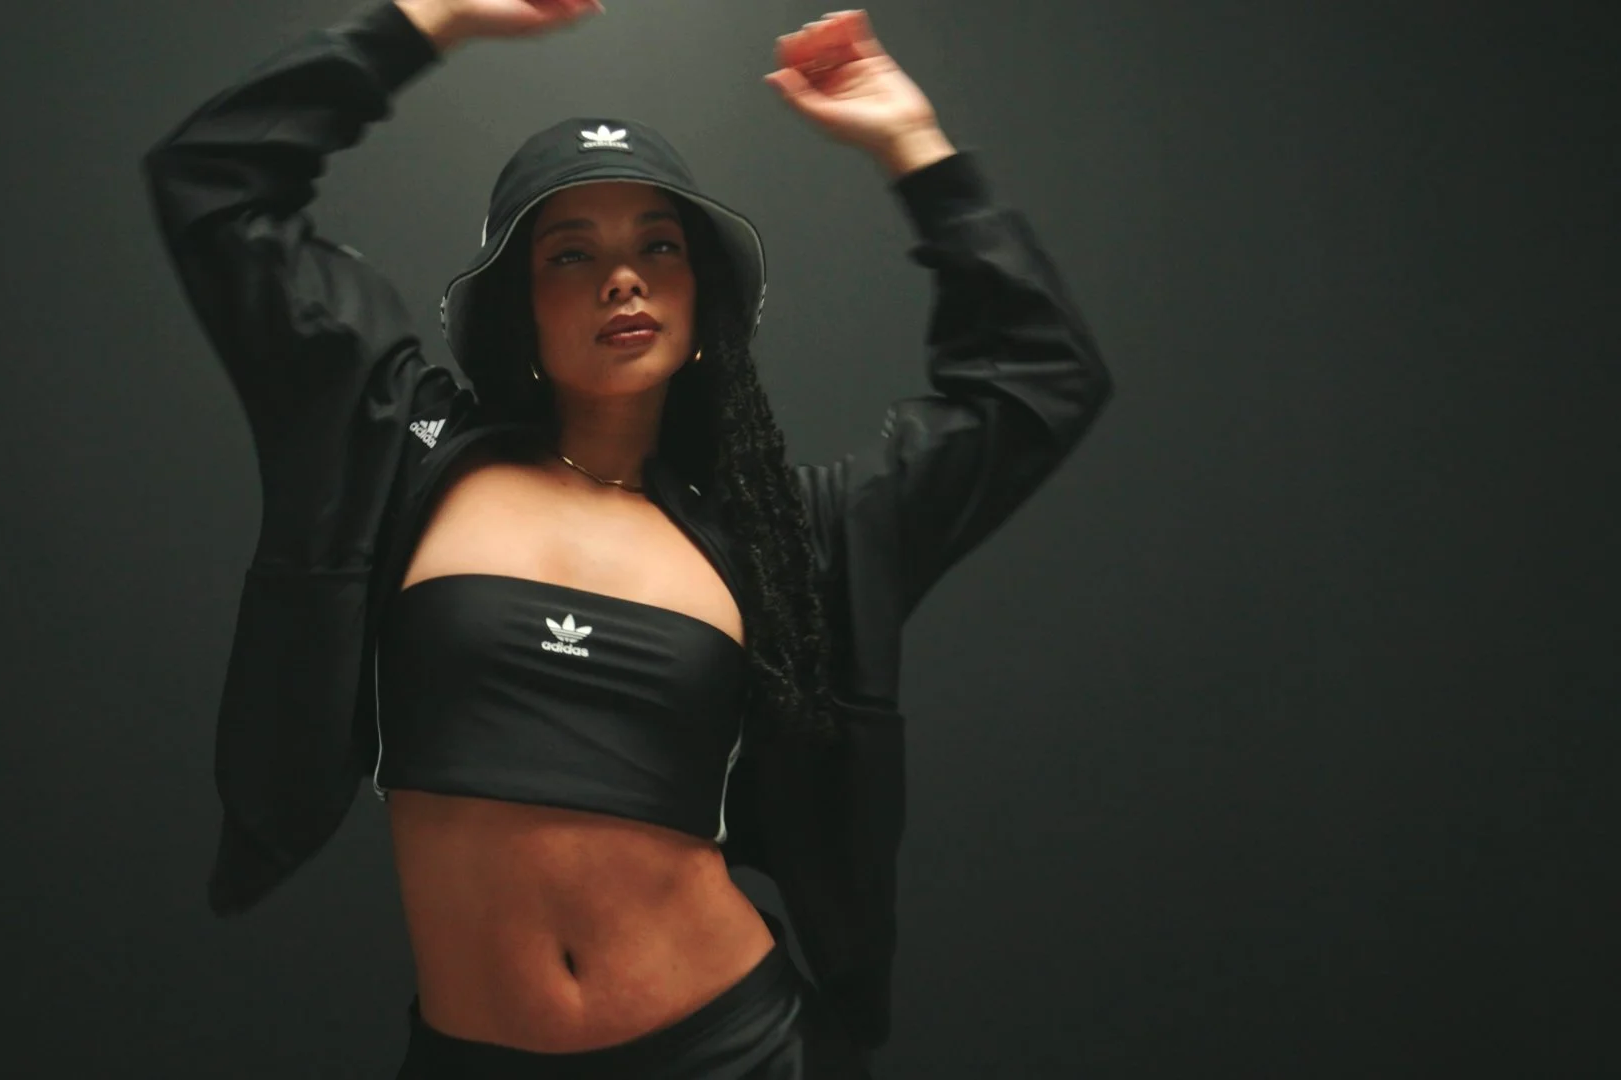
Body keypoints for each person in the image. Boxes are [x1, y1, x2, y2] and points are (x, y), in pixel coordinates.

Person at [142, 0, 1112, 1074]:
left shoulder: (786, 536)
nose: (623, 276)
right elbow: (216, 185)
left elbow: (1039, 382)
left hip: (737, 1050)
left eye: (659, 245)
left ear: (703, 297)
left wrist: (912, 145)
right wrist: (427, 19)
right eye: (571, 253)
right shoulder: (400, 448)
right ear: (518, 303)